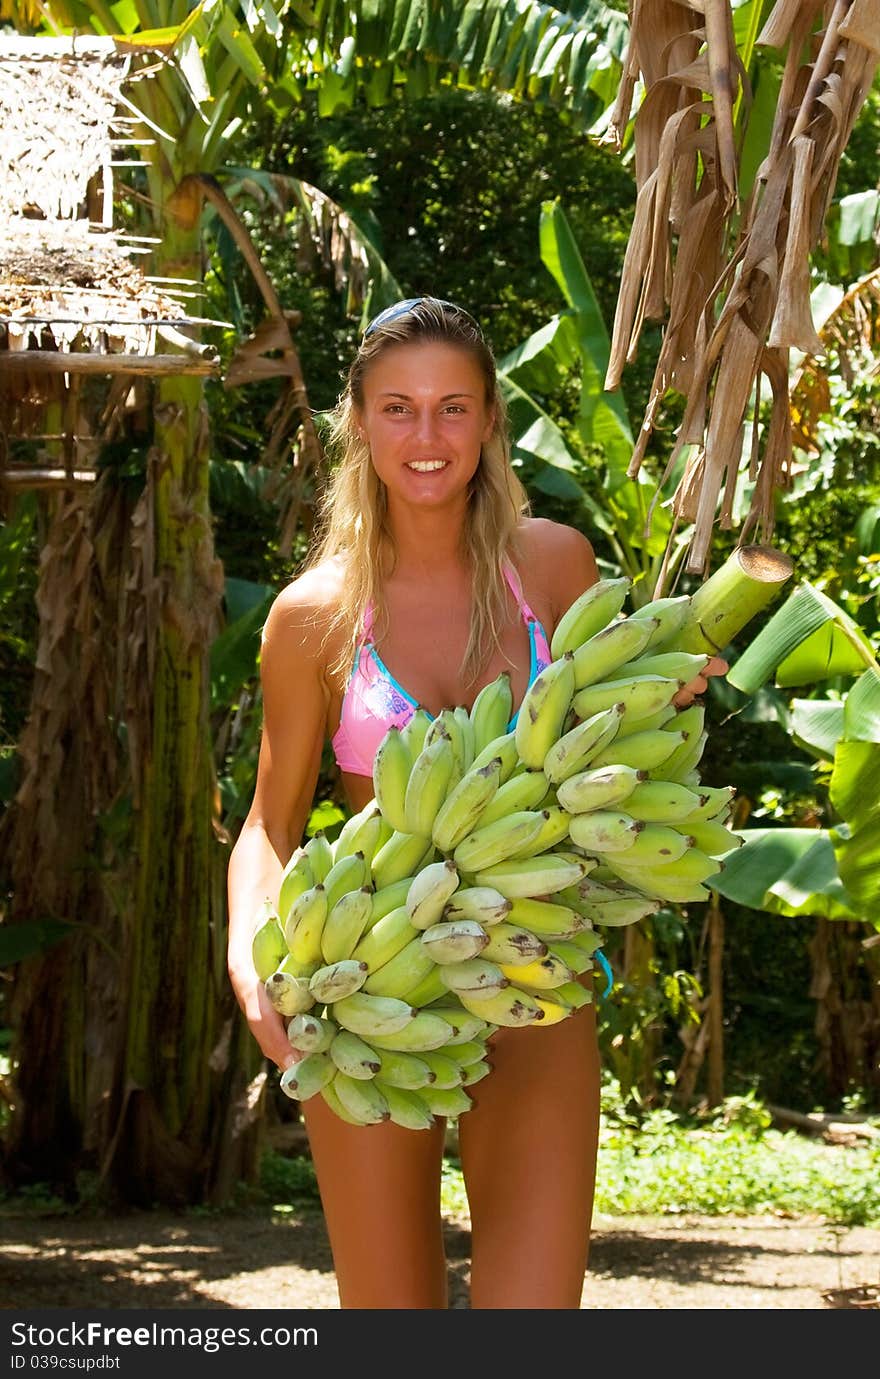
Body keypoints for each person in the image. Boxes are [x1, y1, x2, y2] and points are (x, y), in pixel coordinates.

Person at [226, 295, 726, 1309]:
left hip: (536, 967)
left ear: (492, 419)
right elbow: (271, 821)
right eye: (398, 408)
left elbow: (610, 755)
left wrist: (662, 699)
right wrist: (249, 946)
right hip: (374, 982)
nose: (426, 436)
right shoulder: (314, 615)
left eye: (454, 407)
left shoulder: (551, 565)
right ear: (358, 422)